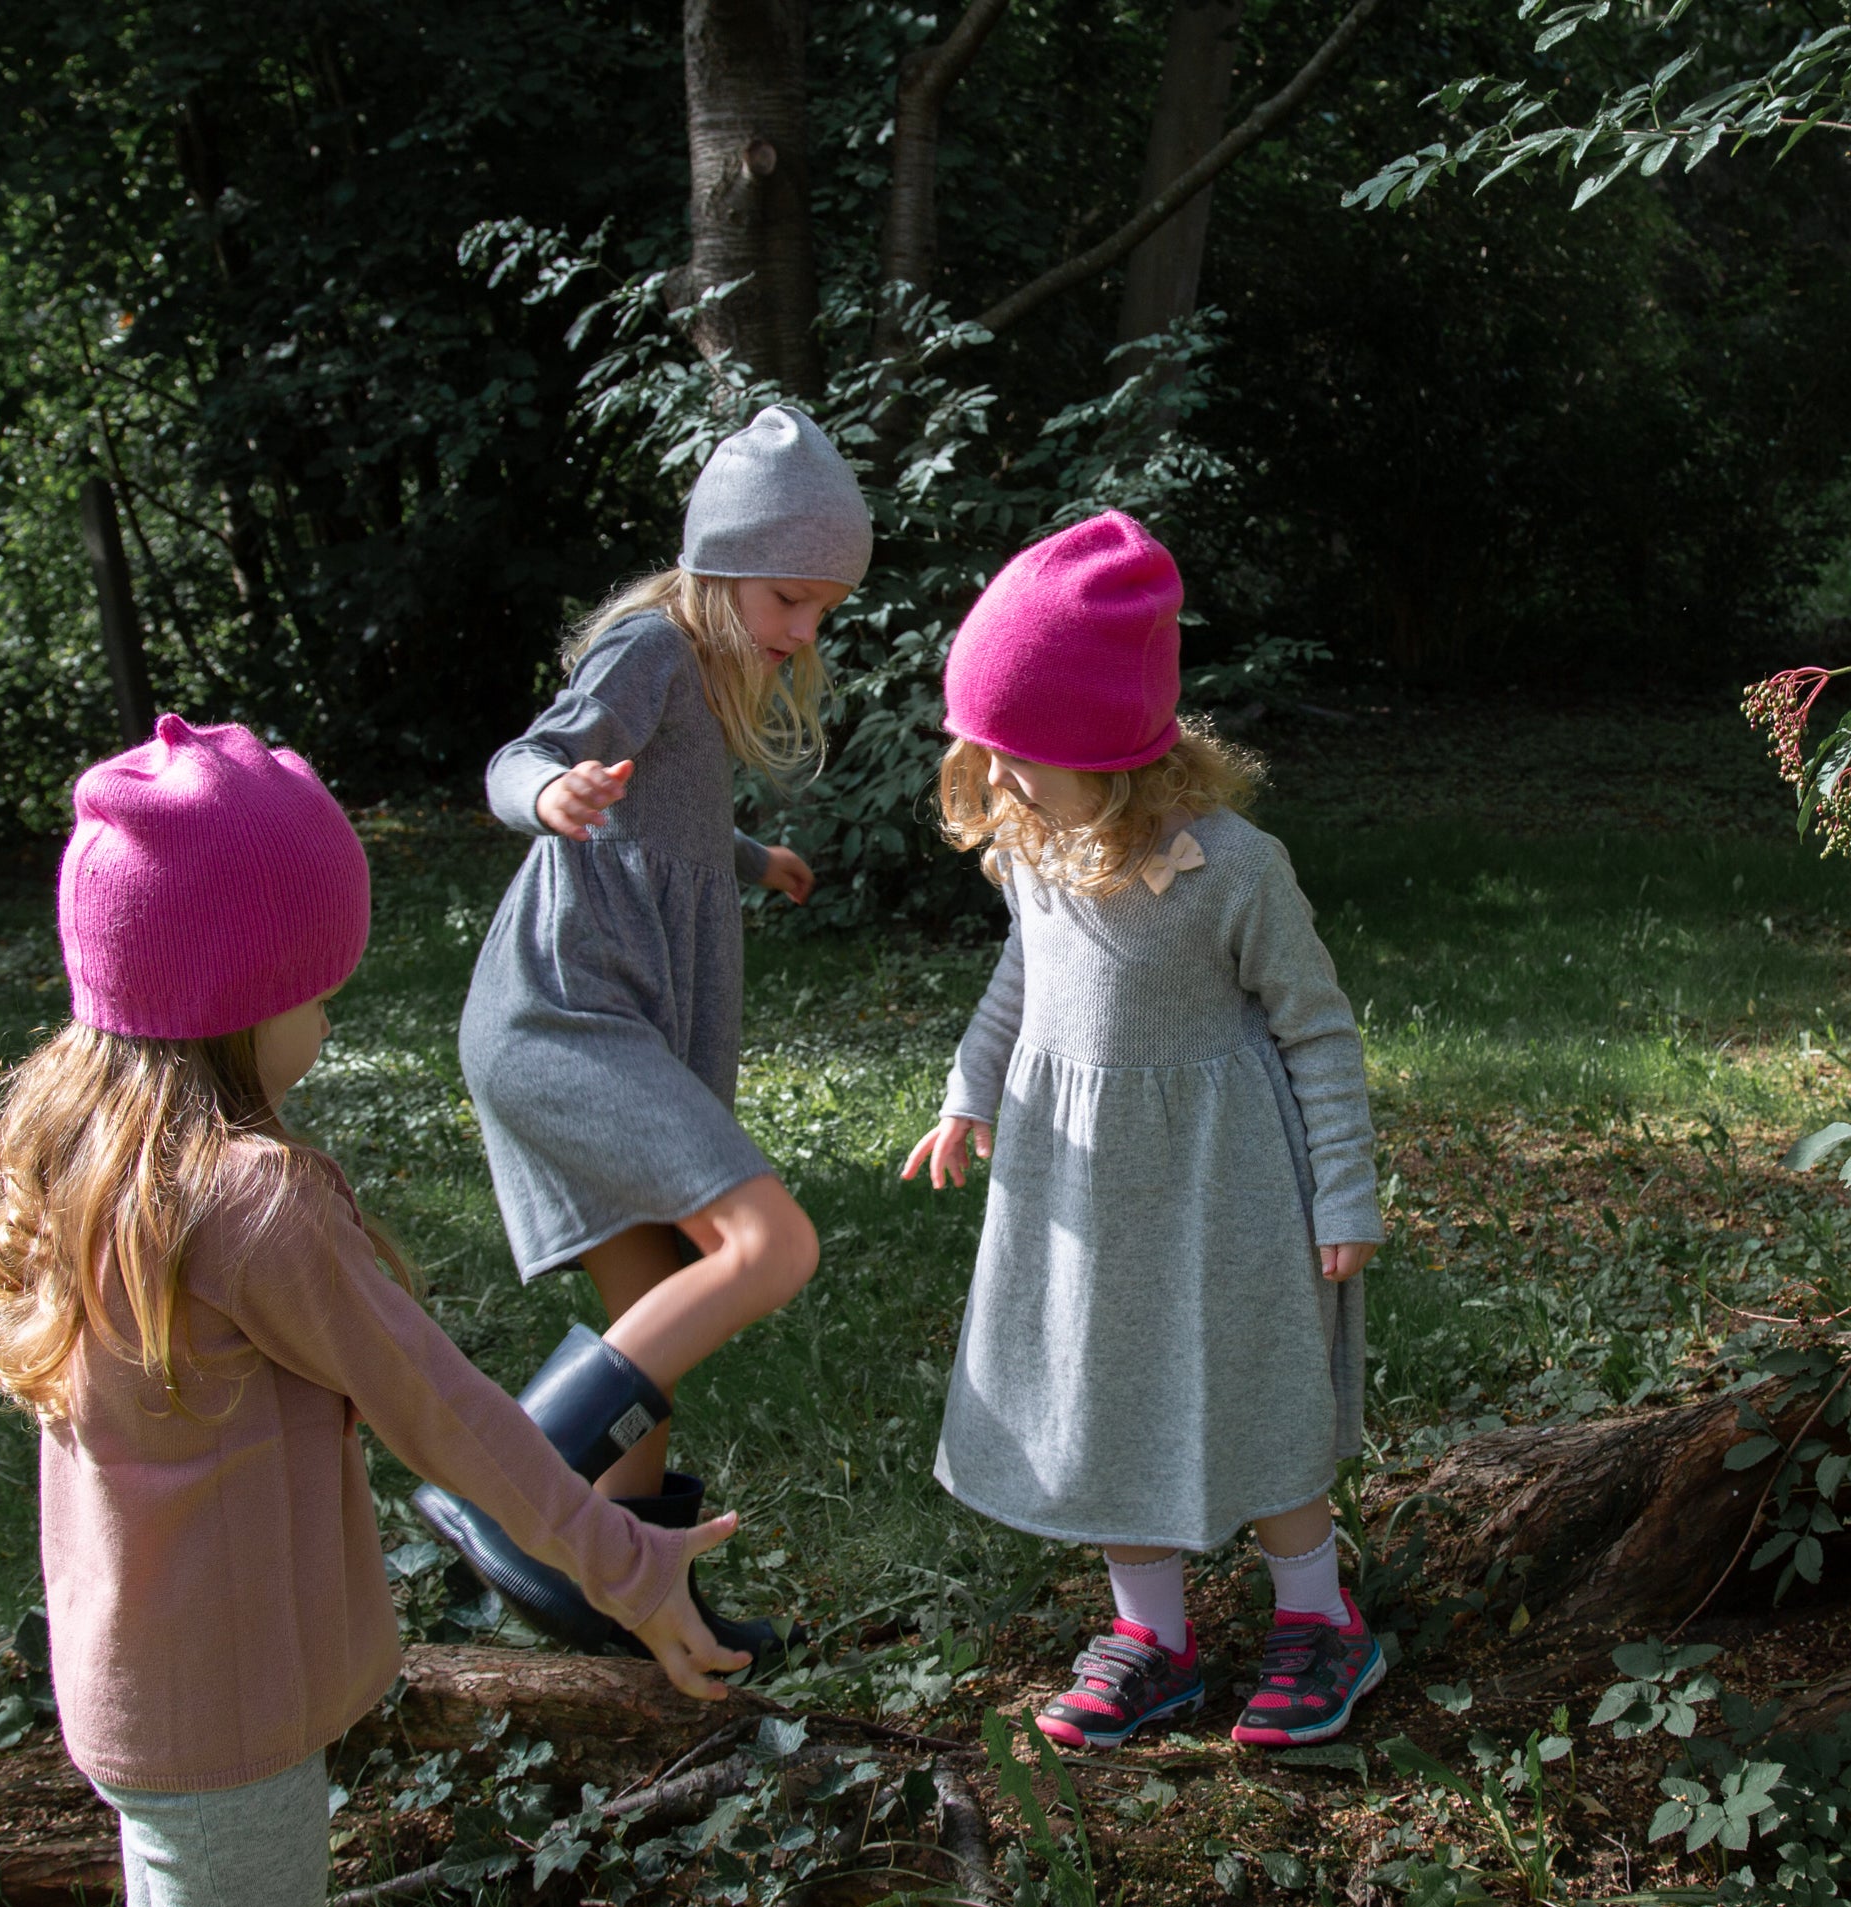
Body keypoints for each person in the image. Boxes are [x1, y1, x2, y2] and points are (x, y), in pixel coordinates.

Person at [0, 716, 748, 1907]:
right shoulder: (250, 1202)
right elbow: (443, 1413)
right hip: (233, 1723)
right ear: (243, 995)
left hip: (125, 1702)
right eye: (319, 993)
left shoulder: (82, 1157)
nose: (326, 1017)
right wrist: (624, 1560)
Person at [901, 512, 1387, 1750]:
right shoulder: (1033, 848)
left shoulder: (1231, 869)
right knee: (1102, 1389)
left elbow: (1317, 1030)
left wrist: (1342, 1192)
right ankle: (1152, 1636)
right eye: (986, 749)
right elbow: (1020, 982)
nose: (996, 777)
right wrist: (968, 1091)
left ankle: (1317, 1617)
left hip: (1223, 1187)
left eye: (1020, 751)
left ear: (1112, 749)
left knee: (1255, 1385)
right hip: (1082, 1187)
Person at [415, 405, 871, 1665]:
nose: (800, 631)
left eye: (820, 610)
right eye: (789, 597)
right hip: (565, 1017)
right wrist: (546, 792)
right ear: (720, 561)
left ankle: (612, 1587)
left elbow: (655, 817)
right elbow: (530, 758)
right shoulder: (651, 645)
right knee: (765, 1243)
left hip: (597, 1020)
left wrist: (744, 854)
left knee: (662, 1297)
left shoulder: (701, 671)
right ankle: (501, 1483)